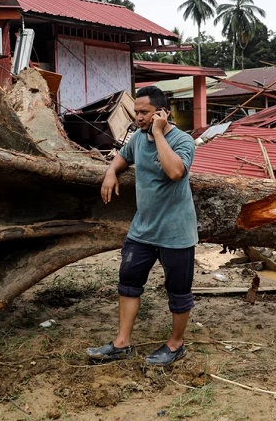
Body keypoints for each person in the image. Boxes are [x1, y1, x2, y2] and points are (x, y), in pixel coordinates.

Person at [86, 85, 198, 366]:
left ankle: (175, 344)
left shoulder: (183, 141)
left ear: (162, 113)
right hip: (142, 231)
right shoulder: (137, 138)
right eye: (136, 112)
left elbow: (175, 172)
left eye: (145, 112)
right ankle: (121, 343)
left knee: (179, 292)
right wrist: (110, 172)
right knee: (128, 284)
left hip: (176, 233)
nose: (138, 117)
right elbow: (122, 157)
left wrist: (158, 133)